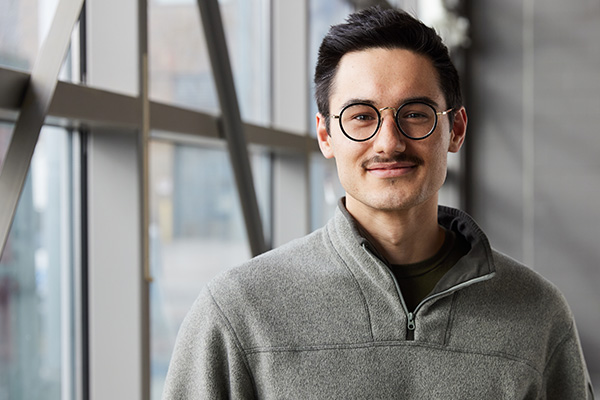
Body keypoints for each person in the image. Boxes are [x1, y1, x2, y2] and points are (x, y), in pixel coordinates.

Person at [162, 6, 594, 399]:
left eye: (415, 113)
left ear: (456, 129)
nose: (389, 142)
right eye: (361, 116)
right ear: (326, 135)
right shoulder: (237, 313)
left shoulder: (538, 314)